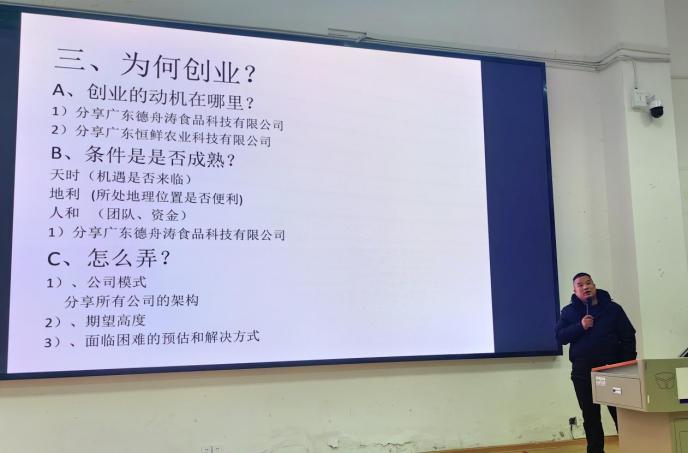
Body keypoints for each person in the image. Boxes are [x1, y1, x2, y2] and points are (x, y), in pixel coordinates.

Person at [555, 272, 636, 453]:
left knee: (621, 413)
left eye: (589, 283)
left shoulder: (613, 309)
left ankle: (632, 447)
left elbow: (628, 336)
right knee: (590, 416)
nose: (586, 287)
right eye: (580, 285)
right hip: (583, 372)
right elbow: (560, 337)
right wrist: (580, 326)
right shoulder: (568, 312)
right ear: (575, 291)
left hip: (612, 371)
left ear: (594, 285)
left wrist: (626, 365)